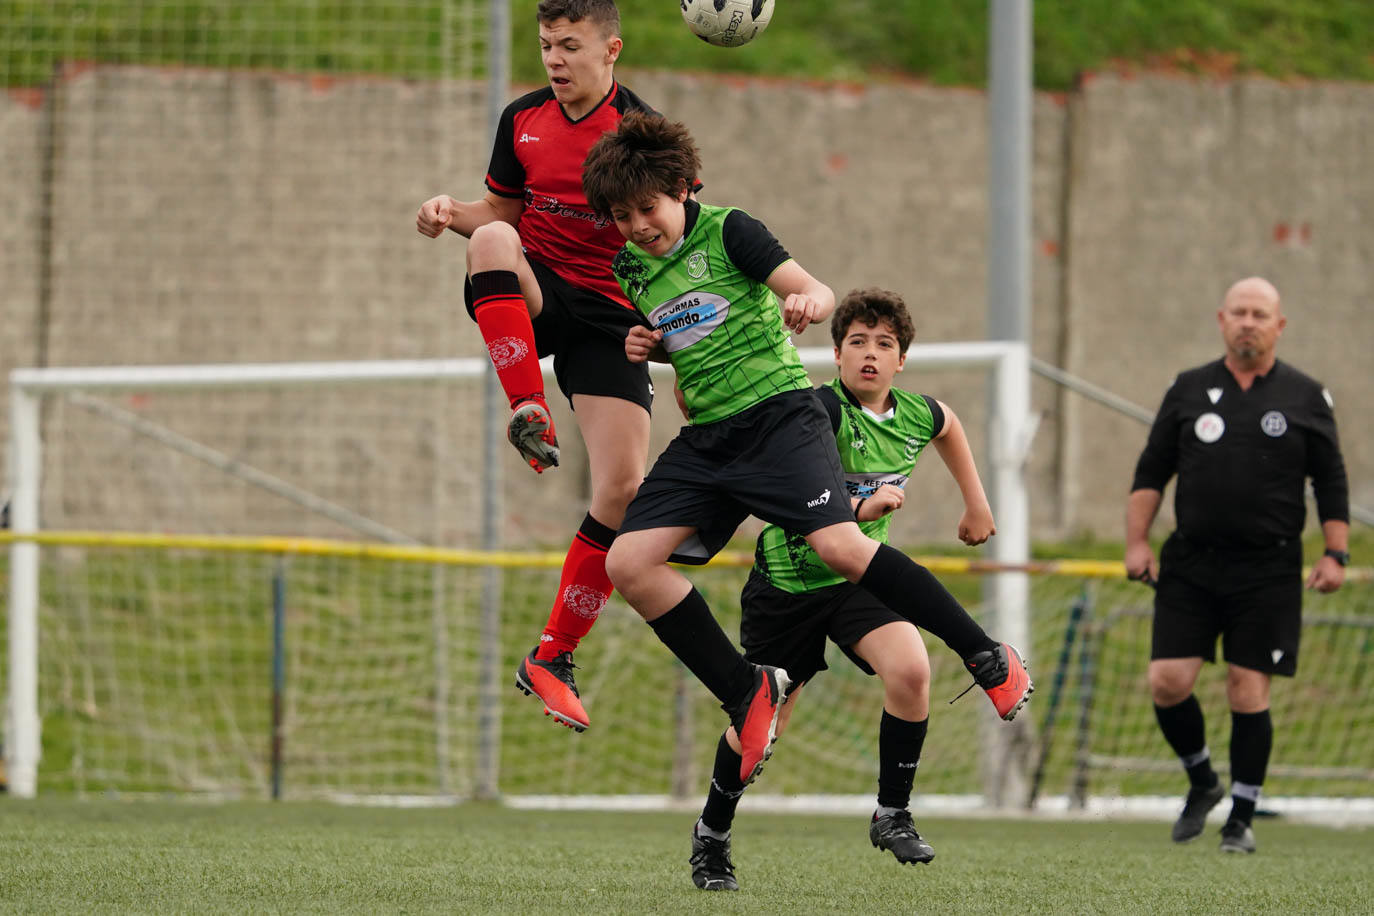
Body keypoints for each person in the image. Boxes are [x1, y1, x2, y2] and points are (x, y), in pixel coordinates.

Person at [580, 111, 1032, 791]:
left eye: (648, 207)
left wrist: (808, 304)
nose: (638, 225)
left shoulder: (730, 230)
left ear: (682, 188)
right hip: (708, 437)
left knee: (842, 548)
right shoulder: (628, 267)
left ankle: (987, 656)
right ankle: (746, 691)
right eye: (620, 215)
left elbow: (808, 286)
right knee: (628, 562)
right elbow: (681, 330)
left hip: (777, 418)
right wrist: (648, 343)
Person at [415, 1, 688, 733]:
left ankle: (552, 655)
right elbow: (499, 210)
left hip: (611, 316)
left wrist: (678, 334)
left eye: (570, 46)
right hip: (536, 287)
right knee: (490, 245)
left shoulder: (643, 133)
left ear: (612, 49)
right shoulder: (522, 118)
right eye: (545, 46)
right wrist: (451, 211)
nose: (555, 60)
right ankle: (526, 405)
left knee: (624, 491)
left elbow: (680, 237)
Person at [685, 287, 1000, 890]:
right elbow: (801, 503)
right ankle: (712, 835)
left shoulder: (915, 412)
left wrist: (976, 503)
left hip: (859, 581)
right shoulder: (816, 413)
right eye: (857, 342)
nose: (871, 355)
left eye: (885, 344)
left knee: (911, 670)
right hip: (787, 585)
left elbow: (949, 425)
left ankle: (892, 813)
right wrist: (859, 507)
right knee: (760, 733)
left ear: (902, 359)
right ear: (836, 354)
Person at [1125, 276, 1349, 855]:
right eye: (1240, 312)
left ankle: (1241, 819)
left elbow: (1329, 480)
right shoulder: (1188, 389)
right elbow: (1151, 473)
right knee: (1168, 682)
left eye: (1261, 313)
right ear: (1221, 320)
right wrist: (1137, 543)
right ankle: (1203, 781)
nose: (1249, 322)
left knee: (1248, 689)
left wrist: (1335, 550)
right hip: (1191, 563)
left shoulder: (1305, 396)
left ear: (1279, 325)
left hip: (1268, 570)